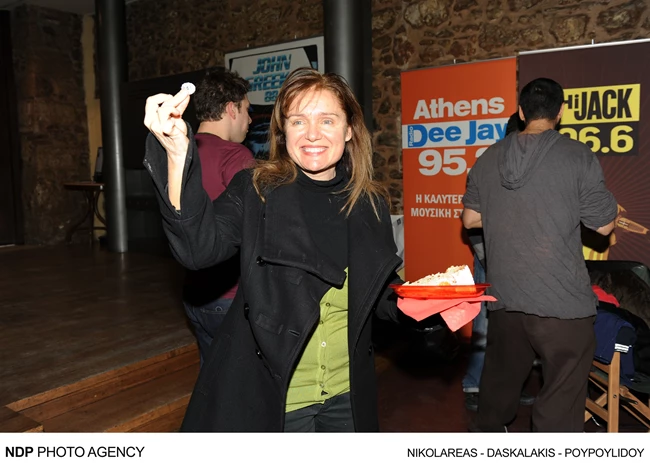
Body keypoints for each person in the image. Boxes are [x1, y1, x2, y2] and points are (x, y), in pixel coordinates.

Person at [143, 67, 404, 432]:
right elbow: (197, 250)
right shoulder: (256, 190)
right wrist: (176, 155)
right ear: (284, 132)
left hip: (348, 395)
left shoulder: (369, 203)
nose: (312, 134)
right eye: (298, 121)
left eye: (327, 120)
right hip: (277, 399)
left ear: (349, 130)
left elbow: (379, 295)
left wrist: (426, 307)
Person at [461, 77, 618, 432]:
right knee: (561, 399)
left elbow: (470, 218)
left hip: (505, 299)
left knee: (498, 387)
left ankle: (487, 436)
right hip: (560, 304)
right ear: (560, 112)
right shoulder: (577, 155)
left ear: (521, 112)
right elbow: (604, 225)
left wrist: (508, 208)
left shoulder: (488, 157)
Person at [462, 112, 535, 412]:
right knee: (484, 324)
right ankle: (474, 384)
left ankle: (510, 386)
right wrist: (487, 259)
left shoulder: (532, 169)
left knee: (515, 327)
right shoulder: (488, 165)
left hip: (522, 262)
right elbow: (471, 219)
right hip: (490, 260)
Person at [181, 68, 254, 366]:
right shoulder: (236, 156)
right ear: (231, 109)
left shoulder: (179, 153)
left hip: (194, 296)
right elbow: (256, 225)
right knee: (245, 383)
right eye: (247, 110)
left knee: (212, 380)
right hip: (231, 298)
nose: (250, 121)